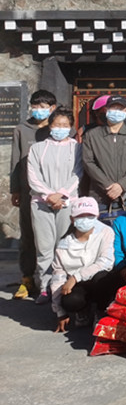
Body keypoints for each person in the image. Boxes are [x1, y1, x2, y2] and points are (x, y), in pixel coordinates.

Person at [27, 106, 83, 305]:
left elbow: (78, 173)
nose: (60, 128)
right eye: (57, 124)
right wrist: (49, 195)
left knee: (64, 245)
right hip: (41, 203)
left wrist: (62, 194)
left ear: (70, 126)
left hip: (67, 203)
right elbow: (33, 175)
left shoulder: (77, 148)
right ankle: (45, 287)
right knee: (44, 247)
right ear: (50, 126)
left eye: (65, 125)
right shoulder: (37, 148)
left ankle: (61, 285)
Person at [10, 89, 55, 299]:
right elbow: (15, 161)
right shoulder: (22, 129)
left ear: (52, 108)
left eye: (43, 106)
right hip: (28, 191)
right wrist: (15, 189)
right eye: (35, 106)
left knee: (54, 236)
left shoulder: (58, 128)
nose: (38, 110)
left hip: (54, 191)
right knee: (28, 235)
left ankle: (53, 278)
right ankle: (27, 277)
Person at [49, 197, 115, 332]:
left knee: (104, 278)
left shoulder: (105, 232)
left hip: (96, 280)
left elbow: (106, 262)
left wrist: (76, 277)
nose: (85, 219)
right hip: (78, 286)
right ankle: (82, 310)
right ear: (72, 219)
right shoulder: (63, 244)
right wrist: (60, 311)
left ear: (97, 216)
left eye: (89, 215)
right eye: (80, 216)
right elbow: (58, 276)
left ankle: (100, 311)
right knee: (69, 300)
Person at [81, 95, 126, 223]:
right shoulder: (92, 135)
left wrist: (122, 185)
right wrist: (108, 185)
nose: (116, 111)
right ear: (106, 110)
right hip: (99, 194)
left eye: (120, 109)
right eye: (113, 108)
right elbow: (88, 162)